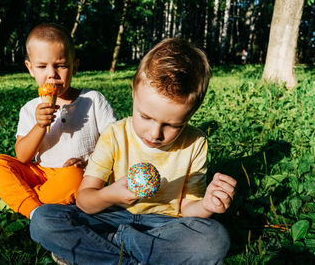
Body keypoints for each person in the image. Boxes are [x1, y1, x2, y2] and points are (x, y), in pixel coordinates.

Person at [30, 38, 237, 264]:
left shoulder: (195, 143)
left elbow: (187, 209)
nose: (155, 133)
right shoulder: (115, 135)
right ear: (134, 93)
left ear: (191, 113)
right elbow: (85, 201)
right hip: (111, 215)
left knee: (215, 239)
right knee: (43, 219)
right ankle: (134, 254)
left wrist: (206, 205)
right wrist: (111, 194)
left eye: (173, 125)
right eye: (146, 117)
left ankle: (108, 247)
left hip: (164, 223)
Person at [0, 23, 117, 219]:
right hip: (39, 173)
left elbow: (114, 143)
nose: (51, 73)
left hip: (77, 175)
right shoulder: (29, 109)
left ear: (75, 66)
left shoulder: (93, 100)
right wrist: (40, 125)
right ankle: (36, 211)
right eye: (42, 66)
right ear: (30, 68)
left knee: (75, 179)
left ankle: (16, 201)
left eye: (61, 65)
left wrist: (91, 163)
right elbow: (23, 156)